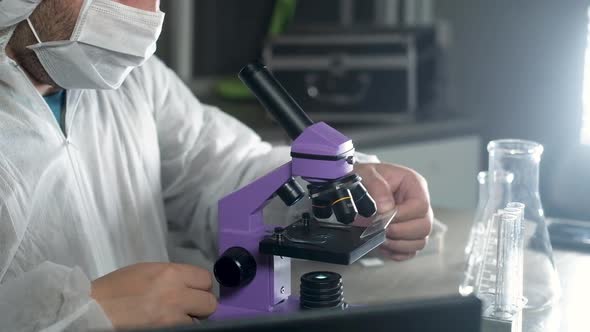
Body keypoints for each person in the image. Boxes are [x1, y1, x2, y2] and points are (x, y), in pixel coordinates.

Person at [0, 0, 433, 330]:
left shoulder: (130, 82)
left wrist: (348, 189)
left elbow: (222, 168)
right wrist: (79, 314)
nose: (146, 13)